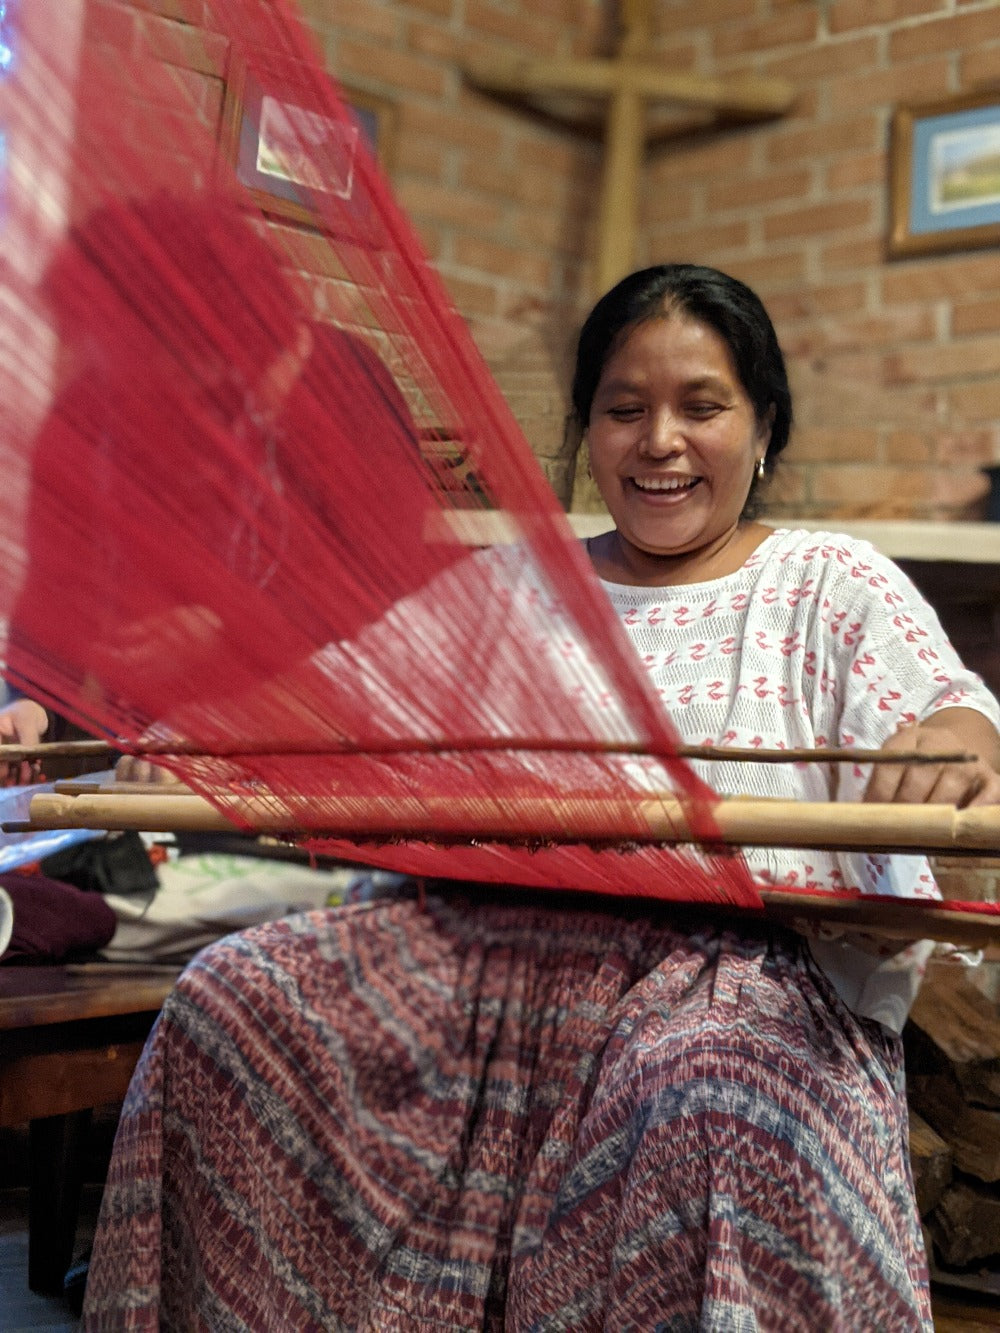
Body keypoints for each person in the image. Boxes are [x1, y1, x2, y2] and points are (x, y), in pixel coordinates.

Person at [80, 264, 1000, 1330]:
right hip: (480, 955)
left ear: (762, 428)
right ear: (587, 431)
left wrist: (951, 744)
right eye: (624, 410)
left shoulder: (830, 579)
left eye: (700, 406)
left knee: (708, 1092)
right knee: (229, 1002)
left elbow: (951, 710)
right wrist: (201, 735)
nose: (659, 440)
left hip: (727, 974)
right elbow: (343, 691)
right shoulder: (518, 581)